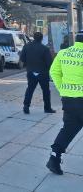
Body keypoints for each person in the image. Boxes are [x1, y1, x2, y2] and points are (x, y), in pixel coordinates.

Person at [46, 32, 83, 175]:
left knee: (68, 129)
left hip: (68, 99)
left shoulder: (63, 53)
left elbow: (54, 72)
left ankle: (54, 158)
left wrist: (63, 88)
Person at [21, 32, 55, 114]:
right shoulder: (45, 49)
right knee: (46, 91)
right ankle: (47, 108)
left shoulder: (26, 47)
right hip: (43, 73)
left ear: (33, 37)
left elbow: (22, 58)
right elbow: (49, 63)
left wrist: (28, 65)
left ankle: (26, 106)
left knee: (30, 89)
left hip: (31, 71)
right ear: (42, 38)